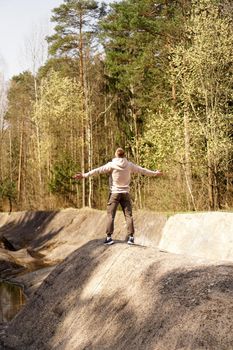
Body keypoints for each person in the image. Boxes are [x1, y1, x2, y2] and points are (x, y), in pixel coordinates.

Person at [73, 148, 163, 245]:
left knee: (111, 215)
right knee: (128, 215)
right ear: (124, 155)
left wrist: (84, 175)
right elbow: (143, 170)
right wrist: (155, 173)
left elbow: (97, 170)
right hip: (125, 193)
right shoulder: (129, 165)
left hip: (115, 193)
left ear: (116, 155)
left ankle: (109, 237)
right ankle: (131, 237)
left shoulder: (112, 165)